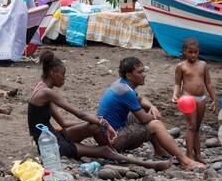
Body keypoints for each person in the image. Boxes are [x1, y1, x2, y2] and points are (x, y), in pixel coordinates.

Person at [29, 51, 168, 169]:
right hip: (52, 145)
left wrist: (97, 124)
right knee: (104, 151)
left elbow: (64, 122)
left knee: (94, 126)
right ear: (53, 73)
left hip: (53, 136)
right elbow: (80, 113)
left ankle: (115, 149)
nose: (64, 78)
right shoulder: (47, 93)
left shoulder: (40, 87)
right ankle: (150, 164)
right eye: (63, 74)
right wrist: (105, 123)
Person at [97, 57, 198, 169]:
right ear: (129, 75)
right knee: (156, 125)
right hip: (112, 139)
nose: (144, 75)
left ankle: (159, 151)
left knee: (146, 111)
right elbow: (144, 119)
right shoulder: (126, 91)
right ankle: (184, 160)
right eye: (140, 72)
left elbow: (140, 100)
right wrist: (155, 117)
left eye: (143, 71)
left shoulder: (122, 84)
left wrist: (152, 107)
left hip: (108, 132)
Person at [171, 39, 217, 164]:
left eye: (195, 52)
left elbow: (208, 83)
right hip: (187, 99)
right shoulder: (181, 66)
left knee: (197, 127)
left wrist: (214, 99)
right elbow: (177, 84)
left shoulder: (203, 65)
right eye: (190, 52)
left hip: (201, 99)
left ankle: (198, 154)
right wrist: (175, 95)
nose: (192, 55)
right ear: (184, 51)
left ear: (198, 52)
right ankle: (188, 154)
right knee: (191, 126)